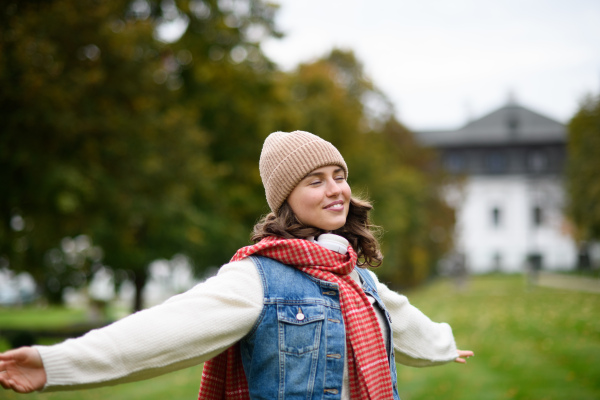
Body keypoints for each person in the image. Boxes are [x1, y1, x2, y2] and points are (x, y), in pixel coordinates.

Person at [0, 131, 473, 399]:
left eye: (339, 176)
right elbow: (164, 332)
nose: (336, 190)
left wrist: (443, 344)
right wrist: (54, 363)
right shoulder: (258, 278)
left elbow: (402, 319)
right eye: (315, 181)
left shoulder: (354, 274)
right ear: (285, 199)